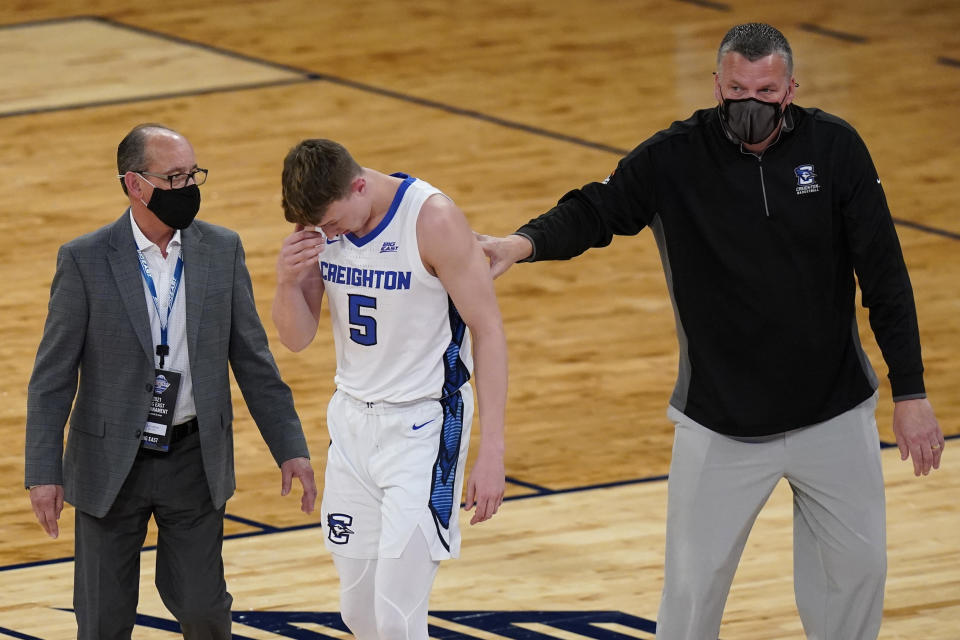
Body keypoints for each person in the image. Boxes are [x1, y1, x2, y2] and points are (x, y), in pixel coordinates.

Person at [478, 22, 945, 640]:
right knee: (692, 598)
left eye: (765, 89)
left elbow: (885, 276)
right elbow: (597, 209)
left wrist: (910, 392)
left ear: (791, 89)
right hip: (719, 424)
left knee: (858, 579)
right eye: (736, 89)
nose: (750, 103)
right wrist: (523, 242)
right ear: (716, 85)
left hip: (834, 413)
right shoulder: (674, 158)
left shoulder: (836, 149)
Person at [24, 123, 318, 640]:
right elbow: (51, 378)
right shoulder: (84, 259)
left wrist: (290, 445)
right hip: (109, 461)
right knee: (103, 623)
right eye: (175, 177)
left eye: (192, 175)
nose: (189, 188)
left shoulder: (221, 249)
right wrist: (43, 471)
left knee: (206, 613)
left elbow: (253, 360)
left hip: (193, 457)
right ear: (135, 184)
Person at [273, 139, 507, 640]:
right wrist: (287, 281)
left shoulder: (433, 220)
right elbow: (295, 339)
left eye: (332, 223)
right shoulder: (321, 222)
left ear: (359, 184)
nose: (326, 234)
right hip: (352, 425)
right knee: (360, 615)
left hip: (423, 428)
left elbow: (488, 331)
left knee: (398, 617)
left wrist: (492, 450)